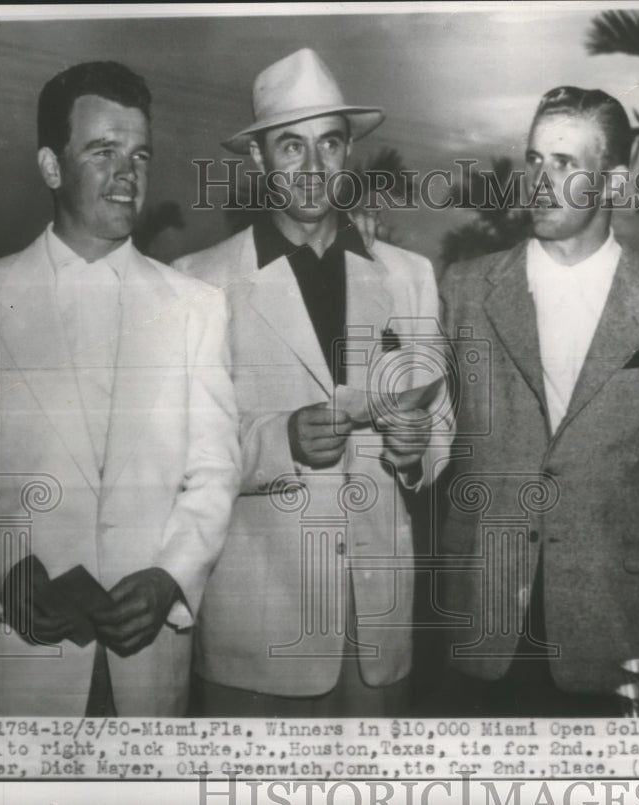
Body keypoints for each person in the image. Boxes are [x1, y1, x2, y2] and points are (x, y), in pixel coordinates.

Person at [0, 61, 241, 716]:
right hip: (17, 662)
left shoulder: (199, 307)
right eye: (103, 152)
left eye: (139, 155)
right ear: (51, 166)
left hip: (150, 667)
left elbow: (216, 469)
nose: (127, 174)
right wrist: (4, 568)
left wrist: (170, 577)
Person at [175, 48, 452, 716]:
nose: (312, 167)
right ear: (259, 161)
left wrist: (419, 450)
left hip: (378, 630)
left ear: (348, 152)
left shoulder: (407, 273)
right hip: (258, 633)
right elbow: (177, 458)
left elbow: (441, 423)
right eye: (290, 147)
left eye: (328, 144)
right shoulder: (198, 281)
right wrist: (283, 440)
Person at [435, 86, 639, 716]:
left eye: (565, 164)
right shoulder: (465, 290)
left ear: (614, 183)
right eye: (535, 160)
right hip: (483, 625)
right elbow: (434, 445)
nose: (540, 180)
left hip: (619, 630)